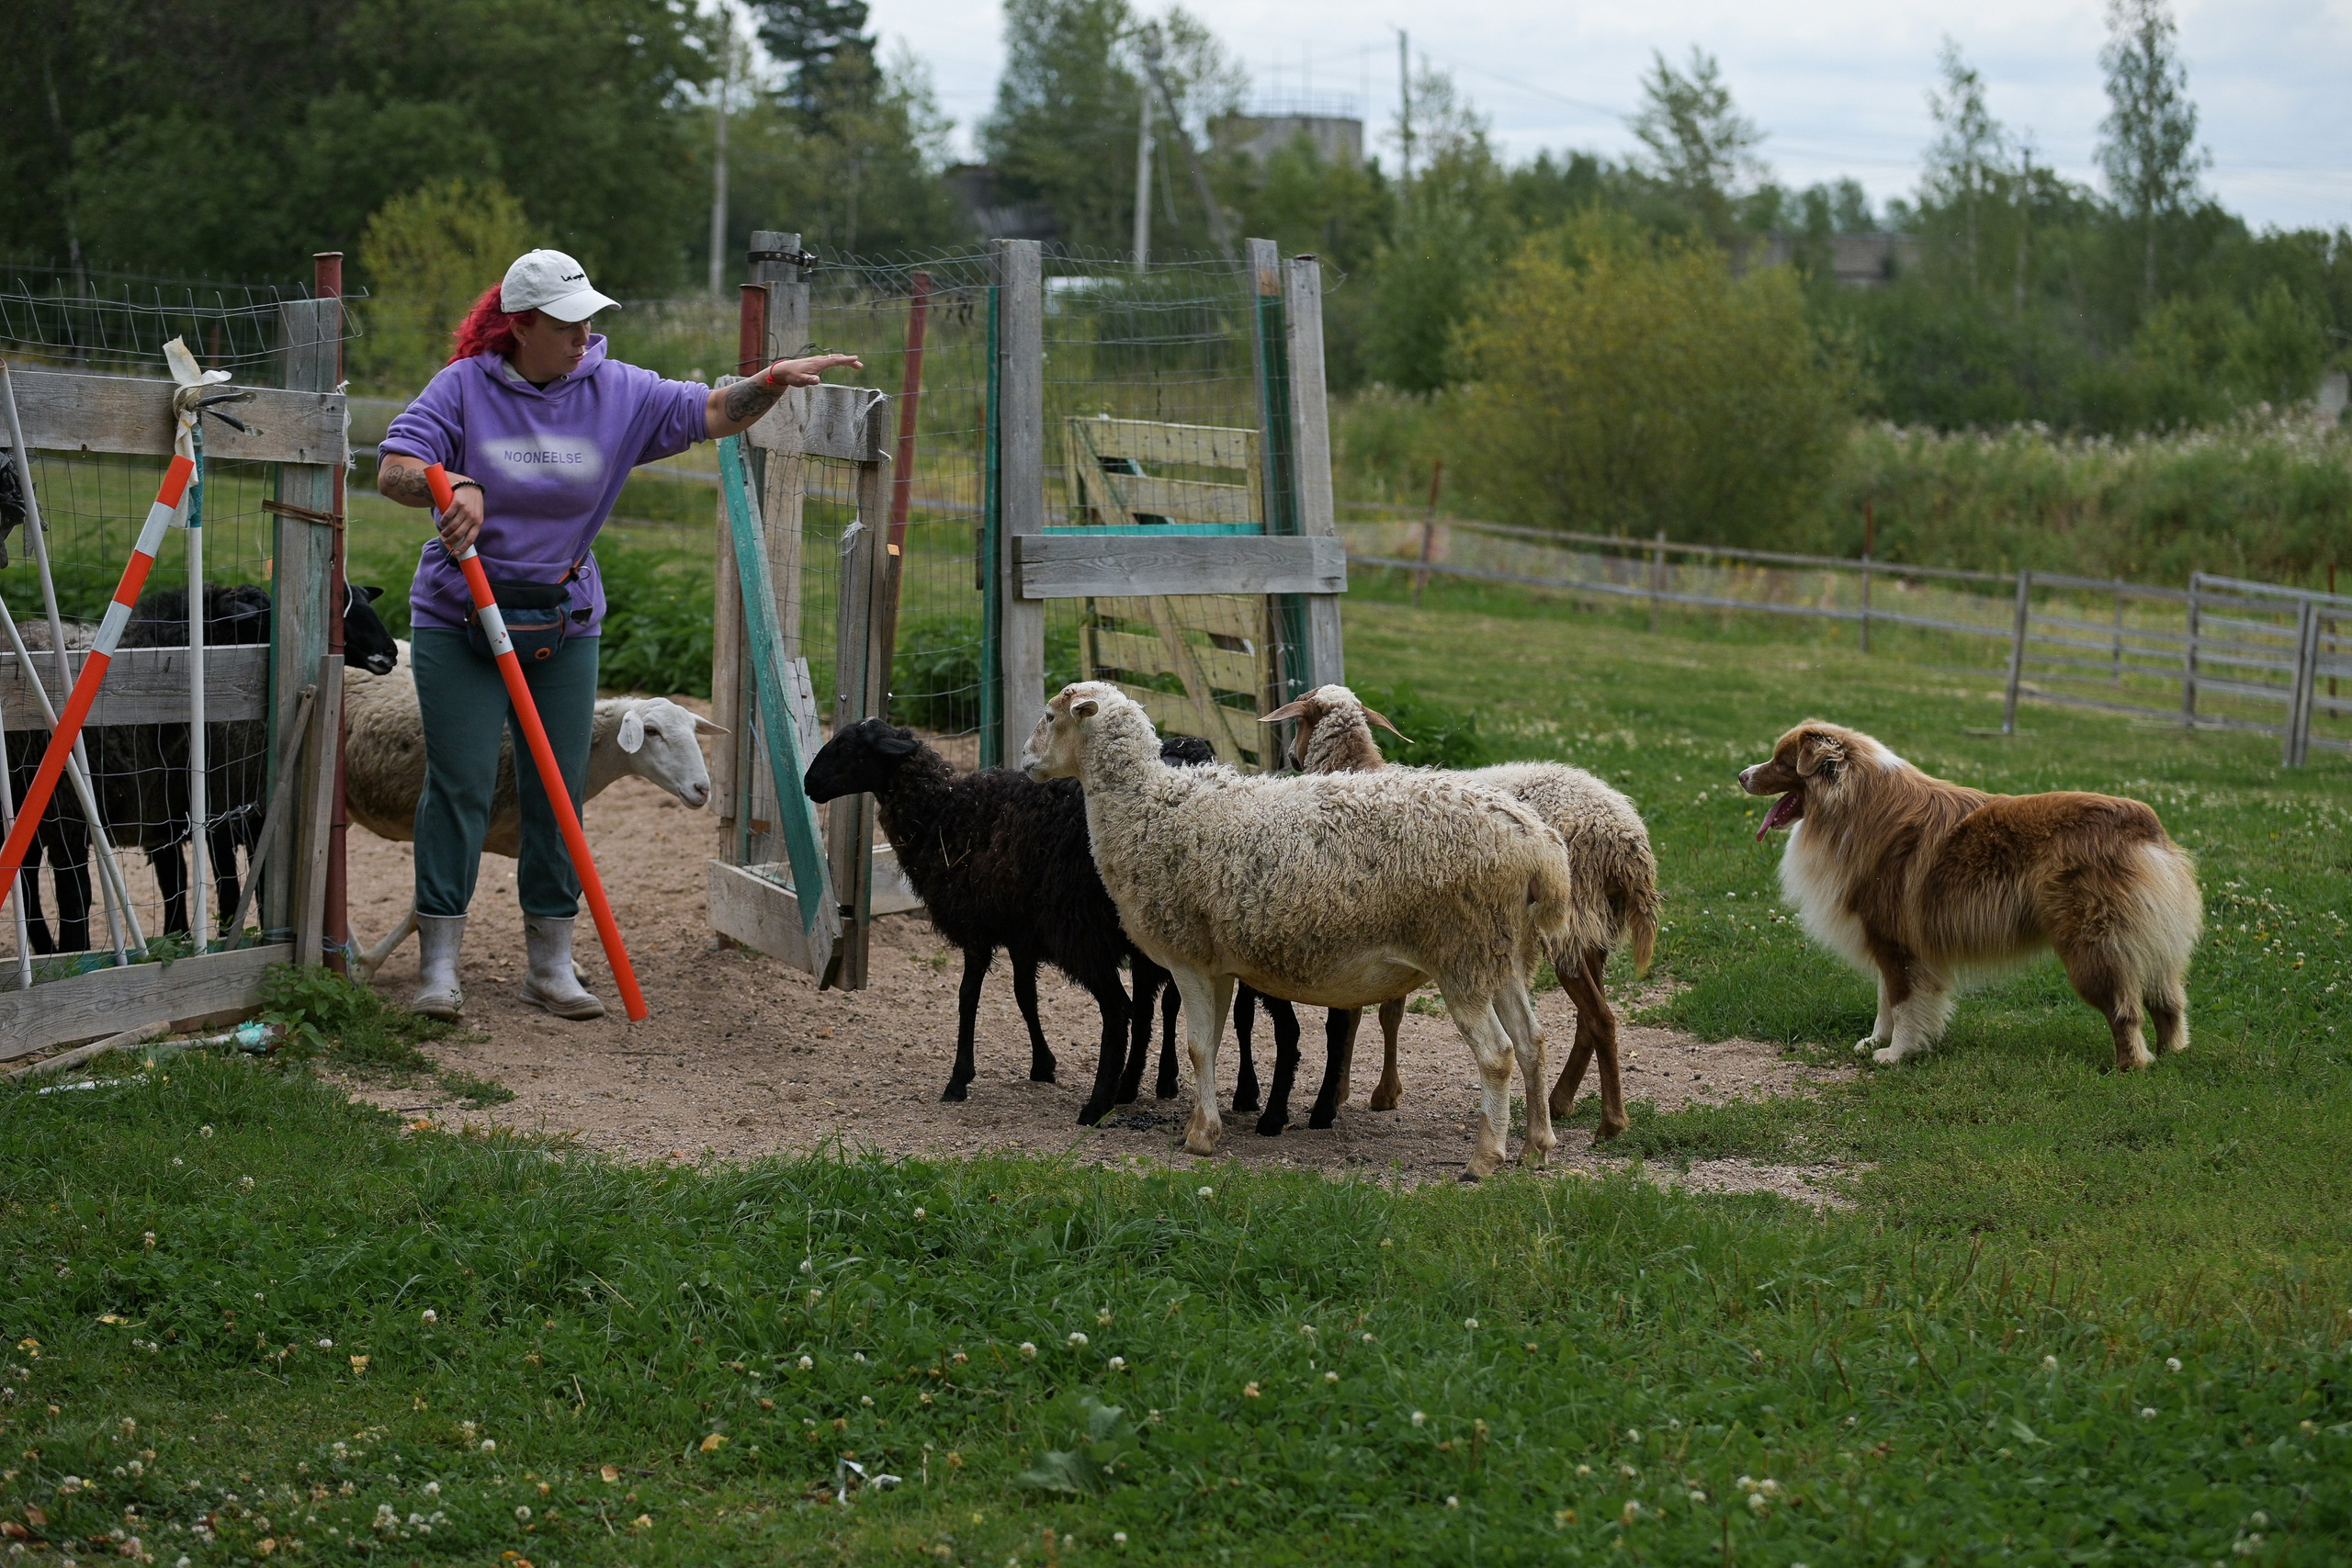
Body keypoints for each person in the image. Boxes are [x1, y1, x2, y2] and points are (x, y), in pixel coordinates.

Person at [378, 248, 859, 1021]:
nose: (583, 336)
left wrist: (770, 381)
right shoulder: (462, 387)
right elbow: (394, 465)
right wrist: (448, 482)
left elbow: (712, 411)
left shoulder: (618, 390)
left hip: (562, 619)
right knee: (461, 783)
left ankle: (550, 964)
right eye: (566, 325)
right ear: (520, 325)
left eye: (589, 321)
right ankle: (439, 966)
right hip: (460, 614)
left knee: (557, 788)